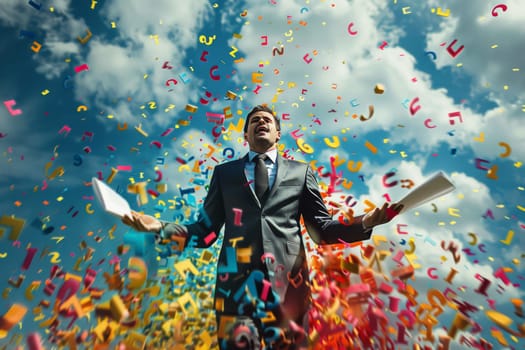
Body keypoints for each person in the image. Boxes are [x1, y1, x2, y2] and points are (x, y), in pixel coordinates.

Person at [122, 105, 403, 349]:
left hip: (289, 289)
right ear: (246, 135)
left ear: (278, 133)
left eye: (267, 120)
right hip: (235, 291)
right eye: (254, 121)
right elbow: (205, 233)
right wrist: (158, 225)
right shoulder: (224, 174)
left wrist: (365, 222)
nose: (261, 122)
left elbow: (321, 230)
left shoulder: (301, 172)